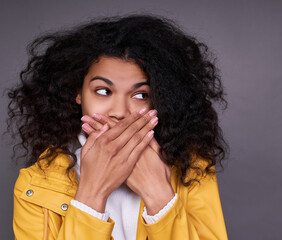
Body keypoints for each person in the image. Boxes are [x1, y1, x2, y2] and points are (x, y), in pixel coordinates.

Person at [8, 14, 228, 240]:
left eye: (140, 95)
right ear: (77, 92)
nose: (120, 112)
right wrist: (92, 194)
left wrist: (160, 197)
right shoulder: (36, 183)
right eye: (103, 91)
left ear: (159, 101)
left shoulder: (192, 169)